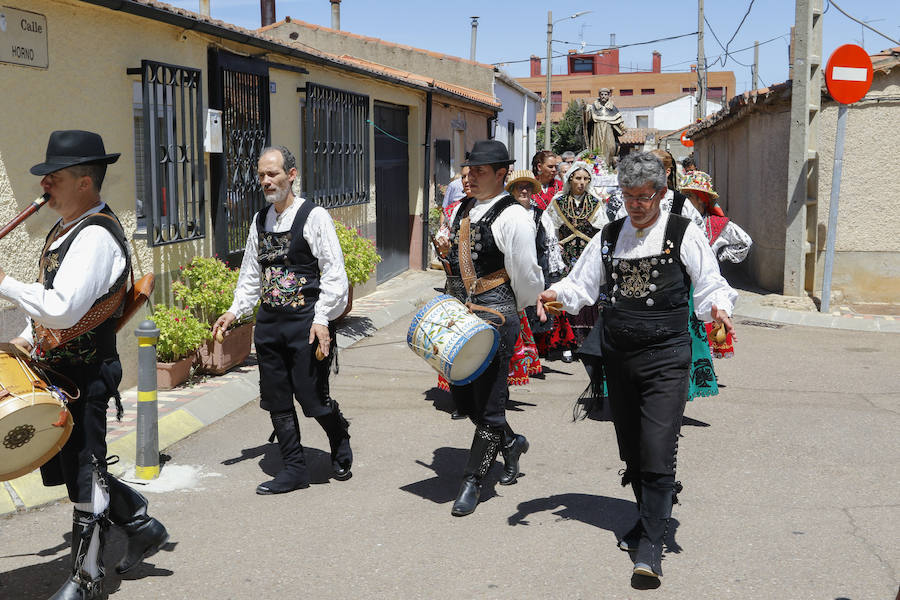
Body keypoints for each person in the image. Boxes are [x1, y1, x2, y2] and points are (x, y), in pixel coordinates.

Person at [537, 152, 737, 582]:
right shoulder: (608, 236)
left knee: (657, 448)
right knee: (631, 448)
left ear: (661, 193)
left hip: (667, 356)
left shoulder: (683, 233)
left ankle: (651, 543)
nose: (635, 205)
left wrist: (717, 308)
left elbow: (710, 282)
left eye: (644, 196)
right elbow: (581, 284)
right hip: (619, 356)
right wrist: (555, 293)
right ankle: (650, 514)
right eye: (628, 196)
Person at [0, 130, 168, 599]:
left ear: (85, 182)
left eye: (54, 177)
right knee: (73, 467)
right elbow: (54, 312)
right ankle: (138, 522)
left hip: (89, 374)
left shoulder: (95, 236)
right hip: (62, 371)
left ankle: (87, 578)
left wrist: (3, 281)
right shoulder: (66, 229)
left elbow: (63, 307)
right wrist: (26, 339)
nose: (45, 185)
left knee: (85, 477)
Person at [214, 146, 353, 495]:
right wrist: (234, 311)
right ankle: (294, 468)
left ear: (291, 175)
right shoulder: (260, 220)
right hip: (270, 323)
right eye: (261, 175)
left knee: (311, 398)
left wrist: (323, 318)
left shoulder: (314, 216)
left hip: (306, 323)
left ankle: (339, 435)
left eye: (273, 173)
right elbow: (250, 274)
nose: (266, 181)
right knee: (277, 397)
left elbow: (334, 273)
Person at [434, 140, 544, 516]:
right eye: (470, 171)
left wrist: (518, 308)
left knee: (492, 404)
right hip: (461, 313)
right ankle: (511, 444)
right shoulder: (464, 208)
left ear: (501, 174)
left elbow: (527, 274)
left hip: (497, 313)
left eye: (480, 172)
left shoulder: (515, 216)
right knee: (466, 400)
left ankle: (473, 482)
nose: (471, 177)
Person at [680, 170, 752, 359]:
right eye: (683, 196)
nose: (685, 201)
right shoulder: (679, 223)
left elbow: (745, 242)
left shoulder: (717, 225)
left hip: (706, 281)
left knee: (705, 326)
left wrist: (720, 256)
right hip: (682, 284)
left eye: (690, 196)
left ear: (702, 200)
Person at [543, 161, 609, 362]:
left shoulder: (595, 202)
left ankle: (588, 342)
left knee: (589, 296)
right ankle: (566, 344)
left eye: (586, 179)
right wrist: (555, 245)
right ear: (570, 179)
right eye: (578, 178)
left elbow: (603, 229)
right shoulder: (558, 201)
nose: (581, 183)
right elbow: (548, 227)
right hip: (566, 256)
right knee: (566, 293)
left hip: (588, 254)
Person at [583, 88, 626, 166]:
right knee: (598, 149)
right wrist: (586, 110)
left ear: (608, 96)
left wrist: (622, 127)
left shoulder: (613, 108)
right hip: (597, 131)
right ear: (599, 95)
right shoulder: (593, 107)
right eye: (602, 94)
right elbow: (588, 120)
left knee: (611, 148)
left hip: (608, 131)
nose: (603, 96)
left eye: (605, 94)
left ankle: (609, 165)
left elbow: (619, 121)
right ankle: (598, 166)